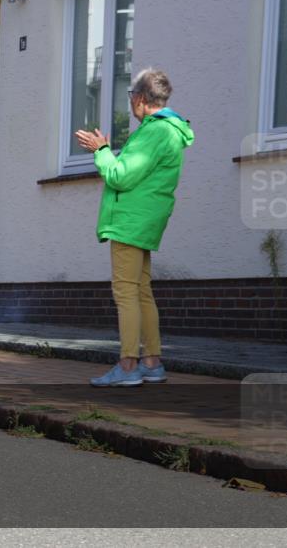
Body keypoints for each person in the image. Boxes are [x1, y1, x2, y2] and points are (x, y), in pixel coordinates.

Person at [75, 68, 194, 387]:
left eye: (130, 96)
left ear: (140, 98)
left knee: (125, 291)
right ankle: (152, 363)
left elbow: (120, 176)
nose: (130, 102)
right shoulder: (170, 130)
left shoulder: (155, 132)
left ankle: (128, 366)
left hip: (131, 221)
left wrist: (100, 151)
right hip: (146, 219)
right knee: (141, 291)